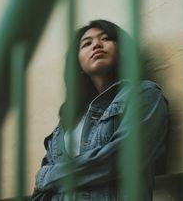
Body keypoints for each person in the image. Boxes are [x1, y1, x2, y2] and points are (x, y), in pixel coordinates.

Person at [30, 19, 169, 201]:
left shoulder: (143, 94)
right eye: (86, 43)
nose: (96, 44)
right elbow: (41, 193)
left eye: (106, 38)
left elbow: (123, 159)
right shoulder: (65, 124)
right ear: (77, 63)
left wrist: (49, 176)